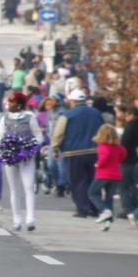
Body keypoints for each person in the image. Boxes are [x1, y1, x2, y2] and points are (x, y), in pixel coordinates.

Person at [51, 90, 103, 218]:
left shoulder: (67, 115)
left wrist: (55, 148)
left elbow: (58, 134)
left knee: (78, 181)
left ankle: (82, 208)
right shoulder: (96, 113)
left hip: (74, 152)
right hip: (95, 151)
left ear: (72, 101)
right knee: (93, 180)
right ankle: (95, 207)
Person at [0, 91, 42, 231]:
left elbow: (38, 137)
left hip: (26, 158)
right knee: (14, 189)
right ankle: (17, 220)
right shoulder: (4, 118)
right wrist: (5, 146)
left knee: (28, 187)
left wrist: (29, 146)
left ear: (19, 105)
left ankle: (30, 218)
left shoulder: (30, 117)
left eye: (11, 102)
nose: (8, 104)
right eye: (8, 102)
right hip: (10, 157)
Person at [88, 124, 127, 231]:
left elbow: (105, 156)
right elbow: (124, 153)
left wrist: (98, 164)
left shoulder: (102, 147)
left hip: (103, 174)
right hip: (115, 175)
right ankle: (107, 222)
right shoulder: (118, 147)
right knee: (109, 198)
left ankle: (104, 211)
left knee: (92, 192)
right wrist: (118, 161)